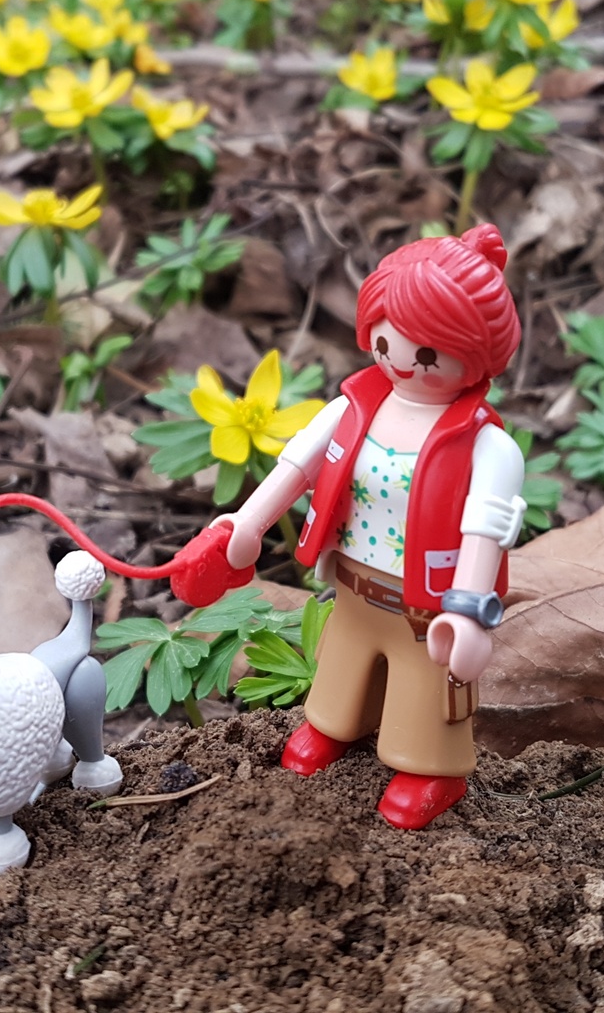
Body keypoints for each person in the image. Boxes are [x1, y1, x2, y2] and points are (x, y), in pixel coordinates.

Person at [216, 225, 526, 829]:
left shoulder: (487, 447)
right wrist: (247, 523)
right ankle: (337, 725)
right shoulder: (355, 406)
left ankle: (430, 767)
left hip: (427, 605)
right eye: (386, 339)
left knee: (424, 685)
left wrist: (468, 611)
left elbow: (484, 530)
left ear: (478, 356)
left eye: (429, 354)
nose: (402, 360)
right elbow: (296, 468)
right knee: (343, 658)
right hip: (354, 583)